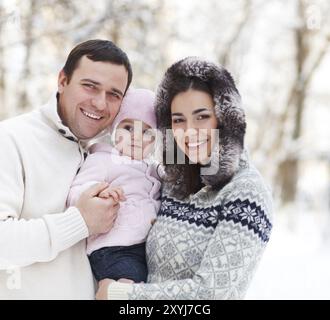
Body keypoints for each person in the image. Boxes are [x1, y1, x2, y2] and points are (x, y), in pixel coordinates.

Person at [96, 57, 273, 300]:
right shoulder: (171, 183)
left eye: (202, 117)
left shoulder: (246, 192)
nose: (189, 131)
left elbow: (212, 295)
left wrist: (122, 295)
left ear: (226, 118)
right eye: (179, 119)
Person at [0, 39, 132, 299]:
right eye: (90, 86)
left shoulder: (113, 157)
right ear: (62, 80)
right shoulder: (11, 139)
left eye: (114, 94)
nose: (100, 104)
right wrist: (80, 222)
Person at [67, 88, 161, 287]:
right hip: (113, 247)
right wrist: (99, 192)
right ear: (114, 129)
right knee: (128, 286)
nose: (136, 137)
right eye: (128, 128)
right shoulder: (103, 159)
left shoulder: (152, 169)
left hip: (142, 248)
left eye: (146, 132)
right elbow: (77, 190)